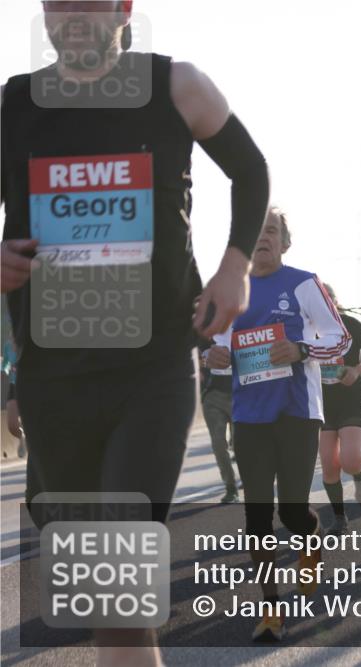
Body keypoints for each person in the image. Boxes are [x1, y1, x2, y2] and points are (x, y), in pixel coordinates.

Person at [2, 2, 268, 661]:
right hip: (53, 379)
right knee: (105, 603)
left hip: (153, 371)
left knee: (119, 579)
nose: (72, 16)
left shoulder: (176, 86)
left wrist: (235, 267)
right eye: (58, 2)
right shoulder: (13, 105)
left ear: (123, 7)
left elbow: (250, 170)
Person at [206, 207, 351, 642]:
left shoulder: (304, 283)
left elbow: (338, 338)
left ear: (285, 242)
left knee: (291, 510)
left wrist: (301, 349)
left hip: (296, 412)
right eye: (256, 231)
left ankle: (311, 538)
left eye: (272, 231)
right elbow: (216, 349)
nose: (263, 238)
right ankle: (271, 609)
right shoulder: (229, 291)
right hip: (249, 414)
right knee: (256, 518)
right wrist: (211, 357)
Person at [317, 284, 361, 534]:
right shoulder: (304, 330)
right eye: (318, 300)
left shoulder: (350, 324)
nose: (324, 305)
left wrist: (357, 370)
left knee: (350, 460)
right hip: (321, 405)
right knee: (329, 464)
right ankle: (339, 518)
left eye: (328, 299)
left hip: (351, 400)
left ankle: (359, 477)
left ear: (336, 301)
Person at [199, 334, 240, 503]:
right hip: (212, 396)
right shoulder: (201, 328)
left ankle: (251, 478)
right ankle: (230, 488)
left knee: (242, 445)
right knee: (218, 444)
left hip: (240, 394)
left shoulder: (239, 322)